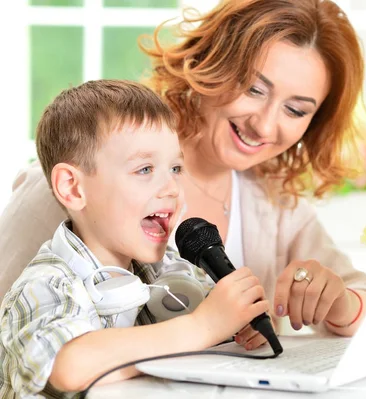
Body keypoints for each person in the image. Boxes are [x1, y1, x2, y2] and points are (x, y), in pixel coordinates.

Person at [0, 0, 366, 352]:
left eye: (295, 110)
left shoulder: (272, 203)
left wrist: (341, 304)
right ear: (211, 64)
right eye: (254, 89)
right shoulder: (75, 186)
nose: (265, 125)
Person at [0, 80, 271, 397]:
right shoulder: (46, 284)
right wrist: (203, 326)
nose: (171, 188)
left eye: (175, 168)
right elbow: (68, 364)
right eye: (145, 169)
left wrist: (241, 324)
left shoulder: (168, 270)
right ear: (73, 188)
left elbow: (217, 319)